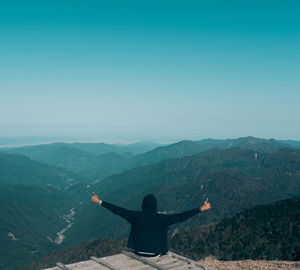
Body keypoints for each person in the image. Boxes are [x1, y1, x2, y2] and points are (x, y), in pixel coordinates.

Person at [91, 192, 211, 257]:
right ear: (155, 205)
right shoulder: (162, 219)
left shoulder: (135, 216)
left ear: (143, 205)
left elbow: (117, 210)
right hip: (155, 254)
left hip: (138, 252)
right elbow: (182, 216)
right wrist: (201, 208)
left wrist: (99, 201)